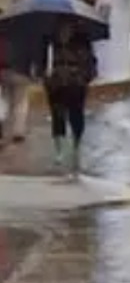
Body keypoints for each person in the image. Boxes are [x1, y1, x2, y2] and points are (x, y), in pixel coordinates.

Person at [39, 23, 97, 174]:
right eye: (61, 30)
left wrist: (83, 78)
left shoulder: (83, 43)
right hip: (56, 86)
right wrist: (47, 78)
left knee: (76, 116)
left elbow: (91, 65)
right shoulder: (49, 43)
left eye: (67, 29)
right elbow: (42, 63)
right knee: (57, 115)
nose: (64, 32)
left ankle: (76, 144)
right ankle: (60, 150)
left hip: (76, 86)